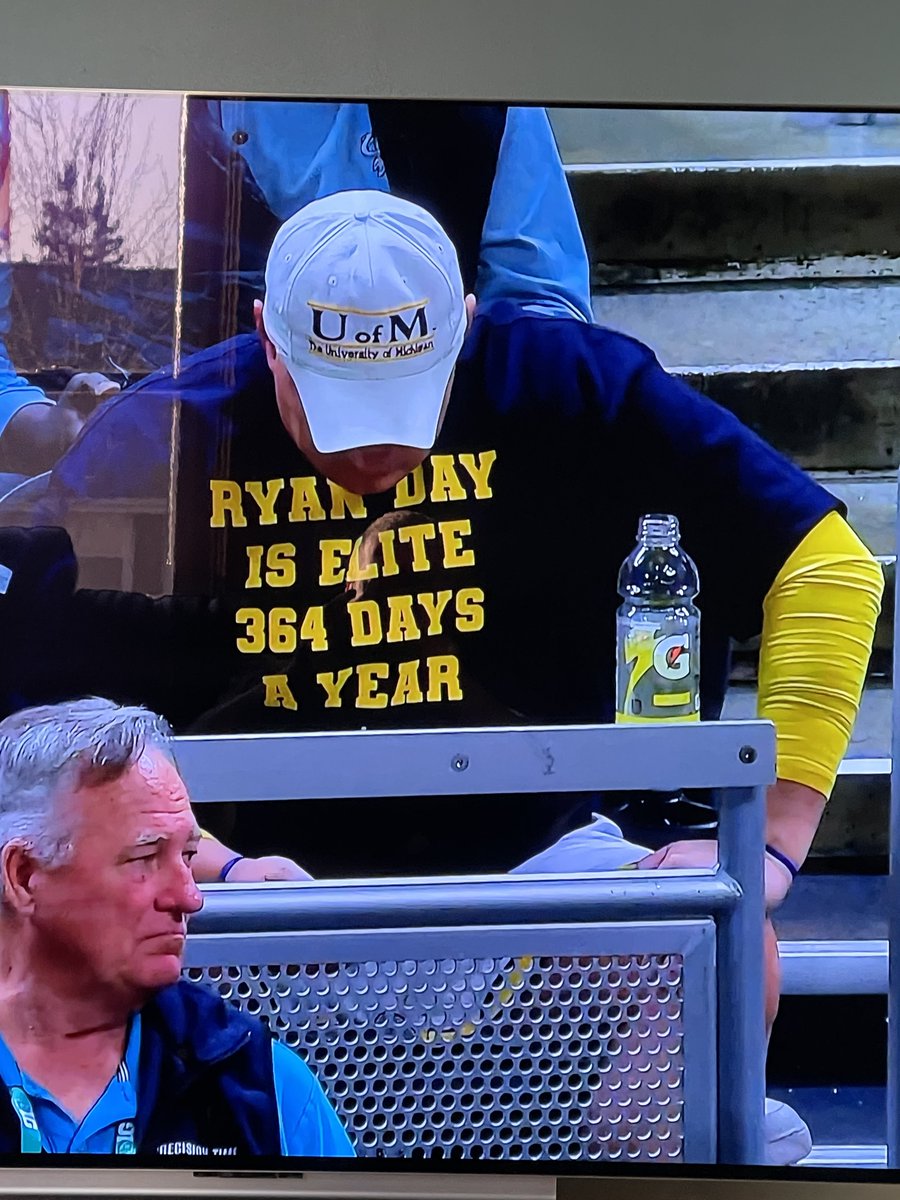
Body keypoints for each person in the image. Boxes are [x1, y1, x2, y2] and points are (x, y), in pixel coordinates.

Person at [0, 191, 879, 1164]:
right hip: (250, 894)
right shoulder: (158, 444)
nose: (368, 451)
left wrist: (776, 848)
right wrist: (206, 861)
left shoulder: (568, 386)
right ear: (268, 341)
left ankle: (650, 1168)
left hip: (536, 863)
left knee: (722, 947)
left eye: (402, 401)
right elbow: (37, 718)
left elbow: (827, 566)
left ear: (463, 325)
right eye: (332, 403)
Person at [0, 100, 590, 481]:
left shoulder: (476, 81)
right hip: (134, 488)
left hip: (410, 490)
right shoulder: (48, 97)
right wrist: (32, 423)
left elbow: (542, 315)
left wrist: (411, 396)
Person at [0, 696, 354, 1157]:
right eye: (144, 859)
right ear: (25, 876)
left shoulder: (256, 1081)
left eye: (187, 856)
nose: (189, 897)